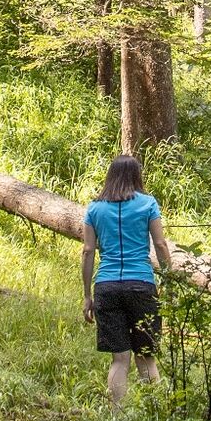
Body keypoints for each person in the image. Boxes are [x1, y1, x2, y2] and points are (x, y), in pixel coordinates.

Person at [80, 153, 174, 406]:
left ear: (110, 177)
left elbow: (88, 251)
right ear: (137, 176)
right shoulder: (148, 204)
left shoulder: (95, 208)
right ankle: (154, 413)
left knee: (119, 359)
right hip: (141, 285)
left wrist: (87, 295)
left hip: (107, 286)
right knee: (146, 356)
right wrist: (169, 281)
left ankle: (116, 417)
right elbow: (160, 244)